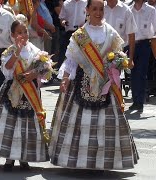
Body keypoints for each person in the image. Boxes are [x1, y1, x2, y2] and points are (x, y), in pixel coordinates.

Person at [49, 0, 139, 171]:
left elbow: (117, 55)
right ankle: (80, 161)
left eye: (101, 9)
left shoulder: (110, 32)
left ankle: (104, 162)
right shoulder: (80, 35)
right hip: (81, 83)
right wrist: (65, 79)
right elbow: (71, 60)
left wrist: (119, 62)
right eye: (94, 9)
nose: (98, 12)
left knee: (106, 124)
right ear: (87, 10)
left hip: (105, 83)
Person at [0, 19, 50, 171]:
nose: (23, 35)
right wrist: (17, 52)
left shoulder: (35, 50)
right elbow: (7, 68)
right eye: (19, 32)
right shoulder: (9, 51)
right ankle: (9, 158)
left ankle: (24, 157)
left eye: (25, 32)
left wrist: (34, 73)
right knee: (11, 124)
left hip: (30, 92)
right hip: (12, 91)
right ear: (13, 35)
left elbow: (45, 68)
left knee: (26, 125)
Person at [128, 0, 156, 112]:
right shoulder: (128, 9)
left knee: (142, 73)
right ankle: (135, 100)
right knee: (132, 73)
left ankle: (140, 102)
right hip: (130, 44)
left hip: (144, 44)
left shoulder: (150, 10)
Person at [104, 0, 137, 69]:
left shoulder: (126, 10)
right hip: (99, 52)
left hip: (118, 55)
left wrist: (130, 59)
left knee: (115, 78)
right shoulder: (99, 7)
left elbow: (131, 35)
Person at [58, 0, 87, 69]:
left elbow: (90, 17)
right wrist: (64, 22)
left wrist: (85, 23)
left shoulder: (86, 2)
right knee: (64, 54)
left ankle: (78, 77)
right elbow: (61, 18)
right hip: (69, 33)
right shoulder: (66, 3)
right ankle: (60, 76)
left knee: (81, 56)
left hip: (81, 33)